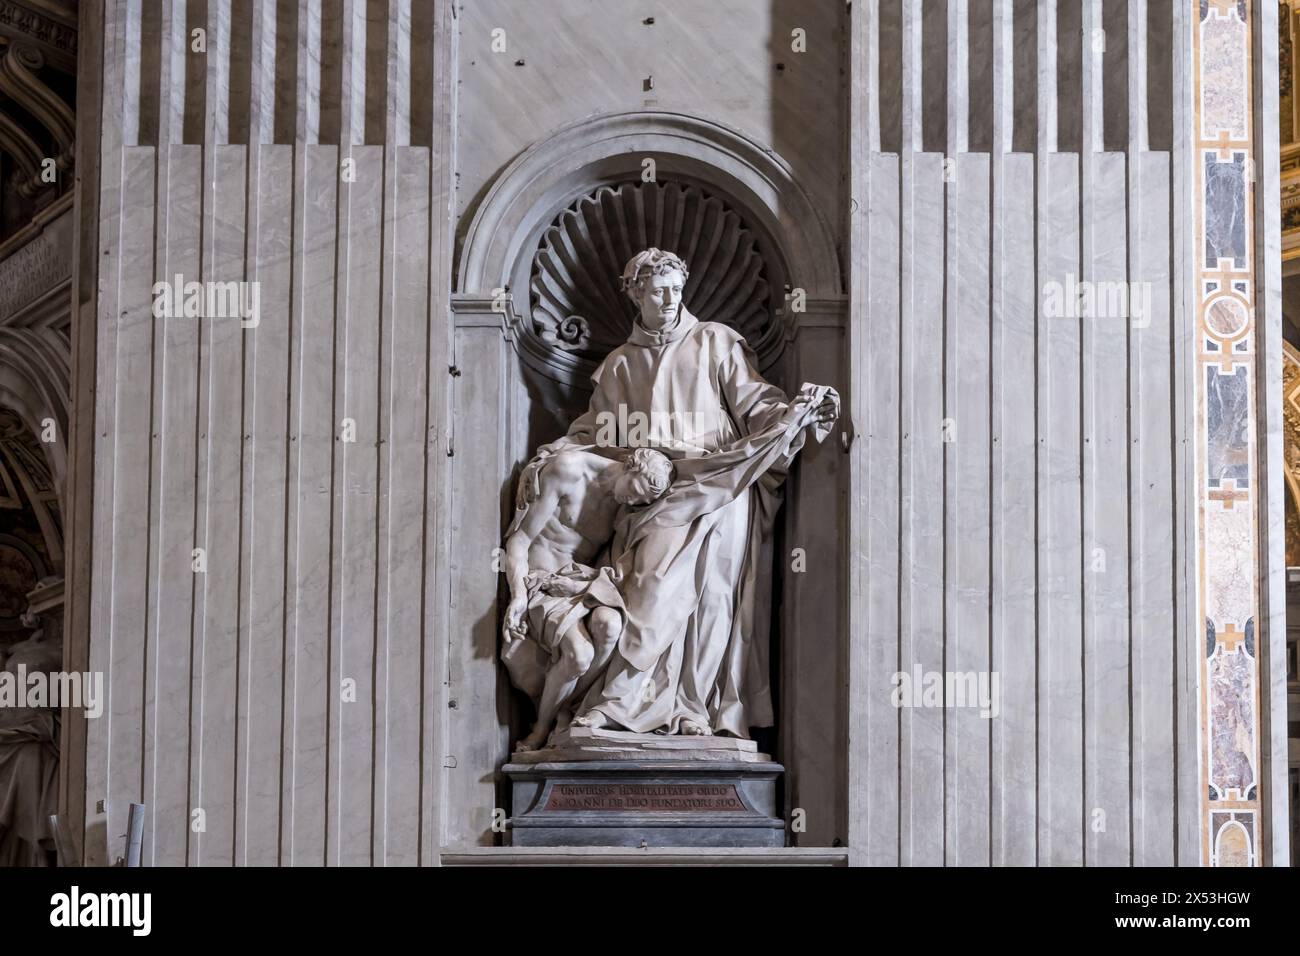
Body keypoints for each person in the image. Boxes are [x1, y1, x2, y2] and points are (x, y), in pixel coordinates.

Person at [528, 247, 839, 737]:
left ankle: (695, 709)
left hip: (722, 485)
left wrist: (794, 418)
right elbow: (596, 437)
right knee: (648, 591)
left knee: (714, 602)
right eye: (657, 290)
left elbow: (758, 405)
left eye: (676, 288)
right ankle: (619, 703)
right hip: (655, 493)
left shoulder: (716, 341)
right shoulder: (618, 366)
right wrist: (558, 456)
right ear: (635, 294)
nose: (670, 299)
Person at [501, 445, 672, 751]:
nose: (633, 501)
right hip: (542, 582)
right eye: (636, 490)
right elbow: (520, 540)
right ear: (630, 466)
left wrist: (584, 585)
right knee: (579, 655)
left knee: (611, 625)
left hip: (580, 584)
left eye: (641, 501)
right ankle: (542, 729)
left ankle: (571, 704)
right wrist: (517, 597)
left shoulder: (624, 507)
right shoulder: (568, 469)